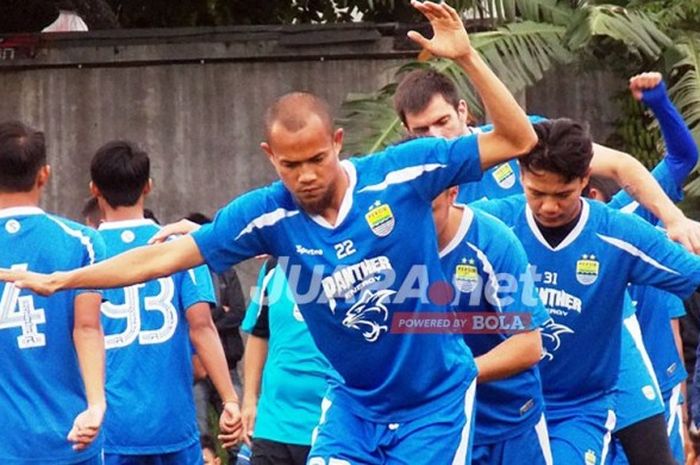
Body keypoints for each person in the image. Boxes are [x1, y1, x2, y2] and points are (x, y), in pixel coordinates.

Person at [0, 2, 542, 462]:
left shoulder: (404, 173)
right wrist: (64, 280)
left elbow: (517, 140)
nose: (305, 176)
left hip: (434, 405)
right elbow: (156, 261)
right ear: (270, 157)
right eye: (290, 165)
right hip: (354, 408)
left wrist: (467, 56)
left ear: (336, 141)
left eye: (315, 159)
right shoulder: (266, 215)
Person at [471, 118, 700, 465]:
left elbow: (691, 271)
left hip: (579, 409)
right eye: (536, 193)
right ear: (520, 175)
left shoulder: (619, 233)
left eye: (562, 194)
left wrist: (680, 224)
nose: (549, 206)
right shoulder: (489, 224)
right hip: (504, 409)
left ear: (584, 180)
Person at [393, 68, 700, 253]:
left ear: (462, 110)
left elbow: (623, 165)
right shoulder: (405, 179)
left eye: (442, 121)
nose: (436, 137)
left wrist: (673, 219)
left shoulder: (523, 138)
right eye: (421, 130)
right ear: (406, 130)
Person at [88, 140, 242, 463]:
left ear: (94, 189)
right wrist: (230, 399)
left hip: (108, 427)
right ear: (148, 186)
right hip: (172, 423)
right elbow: (203, 327)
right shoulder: (182, 247)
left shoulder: (84, 250)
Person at [585, 72, 698, 465]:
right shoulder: (522, 236)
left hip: (656, 387)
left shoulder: (627, 215)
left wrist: (659, 103)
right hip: (589, 395)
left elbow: (683, 157)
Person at [0, 120, 106, 464]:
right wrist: (96, 405)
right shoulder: (84, 241)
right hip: (68, 435)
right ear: (44, 174)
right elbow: (87, 327)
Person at [429, 184, 552, 465]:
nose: (417, 221)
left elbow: (529, 346)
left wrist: (454, 374)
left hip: (507, 420)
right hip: (436, 428)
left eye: (430, 209)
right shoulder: (383, 247)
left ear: (452, 193)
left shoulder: (491, 240)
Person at [240, 256, 334, 465]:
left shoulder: (353, 265)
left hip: (330, 426)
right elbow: (258, 334)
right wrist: (248, 399)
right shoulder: (275, 265)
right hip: (273, 424)